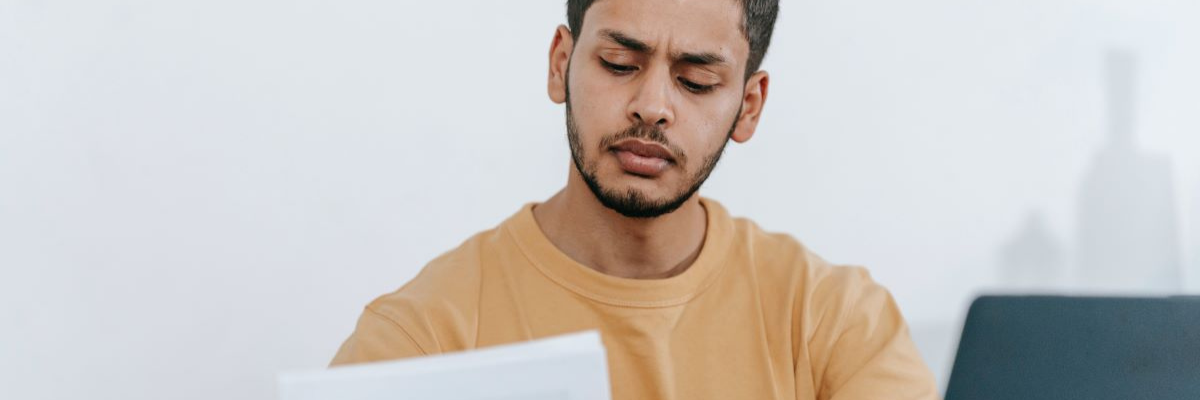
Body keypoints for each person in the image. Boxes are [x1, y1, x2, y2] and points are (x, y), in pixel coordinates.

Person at [330, 0, 939, 398]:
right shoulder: (419, 341)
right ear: (560, 64)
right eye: (620, 63)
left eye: (696, 80)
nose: (653, 106)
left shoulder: (834, 323)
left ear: (748, 107)